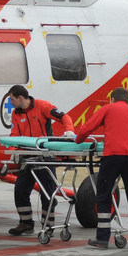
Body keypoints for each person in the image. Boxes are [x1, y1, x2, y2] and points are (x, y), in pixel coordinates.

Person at [75, 87, 128, 253]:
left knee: (103, 195)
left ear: (112, 99)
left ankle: (102, 239)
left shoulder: (107, 109)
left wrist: (78, 140)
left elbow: (86, 129)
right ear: (127, 99)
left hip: (112, 157)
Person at [6, 85, 76, 236]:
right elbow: (14, 134)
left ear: (20, 98)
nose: (10, 102)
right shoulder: (16, 114)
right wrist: (13, 152)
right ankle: (25, 223)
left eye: (11, 99)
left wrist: (69, 130)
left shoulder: (42, 106)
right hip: (28, 157)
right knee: (20, 189)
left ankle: (49, 225)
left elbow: (64, 117)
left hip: (45, 156)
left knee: (48, 192)